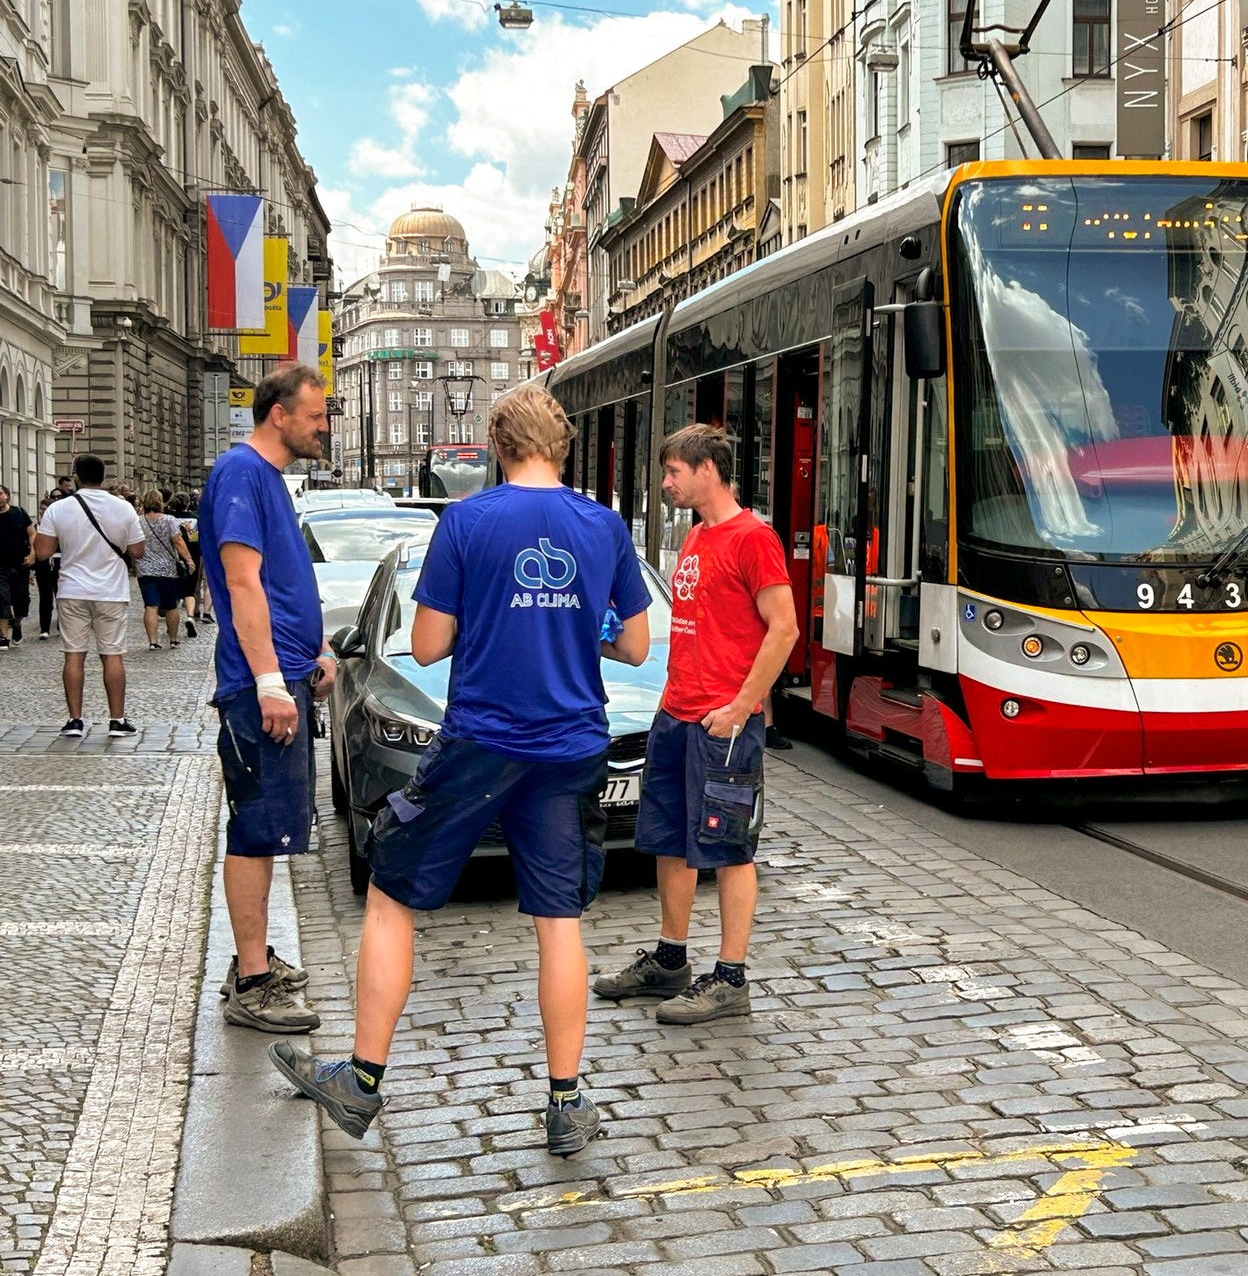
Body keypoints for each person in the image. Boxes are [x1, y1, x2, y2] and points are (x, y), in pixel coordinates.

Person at [269, 384, 652, 1157]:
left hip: (481, 739)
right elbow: (637, 648)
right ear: (563, 445)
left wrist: (494, 614)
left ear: (498, 447)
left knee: (390, 893)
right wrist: (579, 629)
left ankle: (362, 1081)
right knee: (559, 922)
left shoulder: (468, 522)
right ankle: (566, 1101)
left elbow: (433, 644)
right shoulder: (604, 526)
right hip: (572, 742)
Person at [591, 423, 798, 1025]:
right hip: (677, 713)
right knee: (668, 839)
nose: (665, 483)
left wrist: (741, 706)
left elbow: (783, 628)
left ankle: (731, 978)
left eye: (674, 471)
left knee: (730, 848)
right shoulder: (698, 537)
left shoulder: (753, 538)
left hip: (724, 725)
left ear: (708, 469)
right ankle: (671, 958)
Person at [199, 364, 330, 1035]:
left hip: (282, 677)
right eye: (316, 414)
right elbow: (243, 582)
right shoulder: (241, 474)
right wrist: (272, 681)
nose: (324, 424)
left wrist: (318, 656)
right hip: (259, 690)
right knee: (255, 829)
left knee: (272, 825)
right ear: (278, 413)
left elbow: (284, 584)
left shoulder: (267, 480)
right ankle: (252, 980)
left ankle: (254, 959)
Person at [34, 455, 146, 737]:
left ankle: (75, 720)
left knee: (73, 655)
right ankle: (117, 721)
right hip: (111, 590)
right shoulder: (124, 508)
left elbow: (43, 552)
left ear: (76, 477)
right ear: (103, 476)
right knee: (112, 656)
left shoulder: (58, 509)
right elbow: (137, 551)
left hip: (72, 589)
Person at [136, 491, 194, 650]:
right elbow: (177, 541)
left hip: (145, 568)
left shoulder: (138, 521)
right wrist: (188, 559)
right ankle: (173, 639)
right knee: (171, 606)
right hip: (167, 569)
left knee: (150, 605)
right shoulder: (169, 520)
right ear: (160, 502)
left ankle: (153, 641)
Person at [0, 485, 31, 649]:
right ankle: (3, 637)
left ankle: (17, 623)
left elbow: (32, 533)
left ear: (6, 496)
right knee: (1, 598)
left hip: (19, 564)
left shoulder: (18, 513)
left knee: (22, 601)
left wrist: (32, 554)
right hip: (0, 566)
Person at [169, 495, 203, 638]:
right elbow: (197, 539)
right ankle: (190, 616)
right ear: (188, 503)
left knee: (174, 593)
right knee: (189, 591)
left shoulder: (168, 518)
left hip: (173, 558)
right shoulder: (194, 518)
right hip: (192, 557)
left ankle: (172, 621)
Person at [33, 493, 59, 639]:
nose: (42, 512)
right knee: (45, 596)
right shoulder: (36, 527)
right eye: (41, 509)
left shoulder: (59, 527)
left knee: (60, 595)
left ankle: (62, 624)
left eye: (45, 509)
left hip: (59, 563)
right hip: (42, 564)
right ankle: (45, 628)